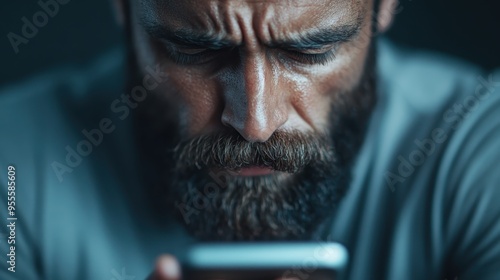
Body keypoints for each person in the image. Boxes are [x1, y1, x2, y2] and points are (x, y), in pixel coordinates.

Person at [0, 0, 499, 279]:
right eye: (193, 50)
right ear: (123, 8)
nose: (256, 121)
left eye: (311, 49)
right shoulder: (11, 162)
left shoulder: (482, 147)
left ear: (384, 7)